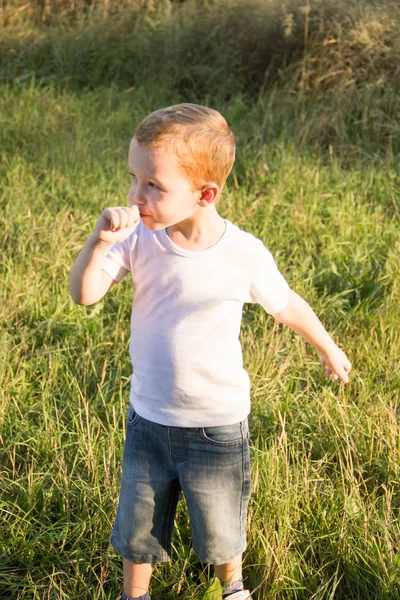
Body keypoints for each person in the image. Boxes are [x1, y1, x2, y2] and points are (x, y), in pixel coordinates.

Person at [69, 103, 351, 600]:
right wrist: (98, 242)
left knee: (220, 523)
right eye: (133, 178)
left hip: (216, 425)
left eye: (154, 185)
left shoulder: (241, 253)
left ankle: (233, 586)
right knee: (139, 524)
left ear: (205, 194)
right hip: (149, 418)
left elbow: (285, 305)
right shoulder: (137, 239)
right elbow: (85, 294)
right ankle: (135, 593)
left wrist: (327, 345)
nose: (137, 196)